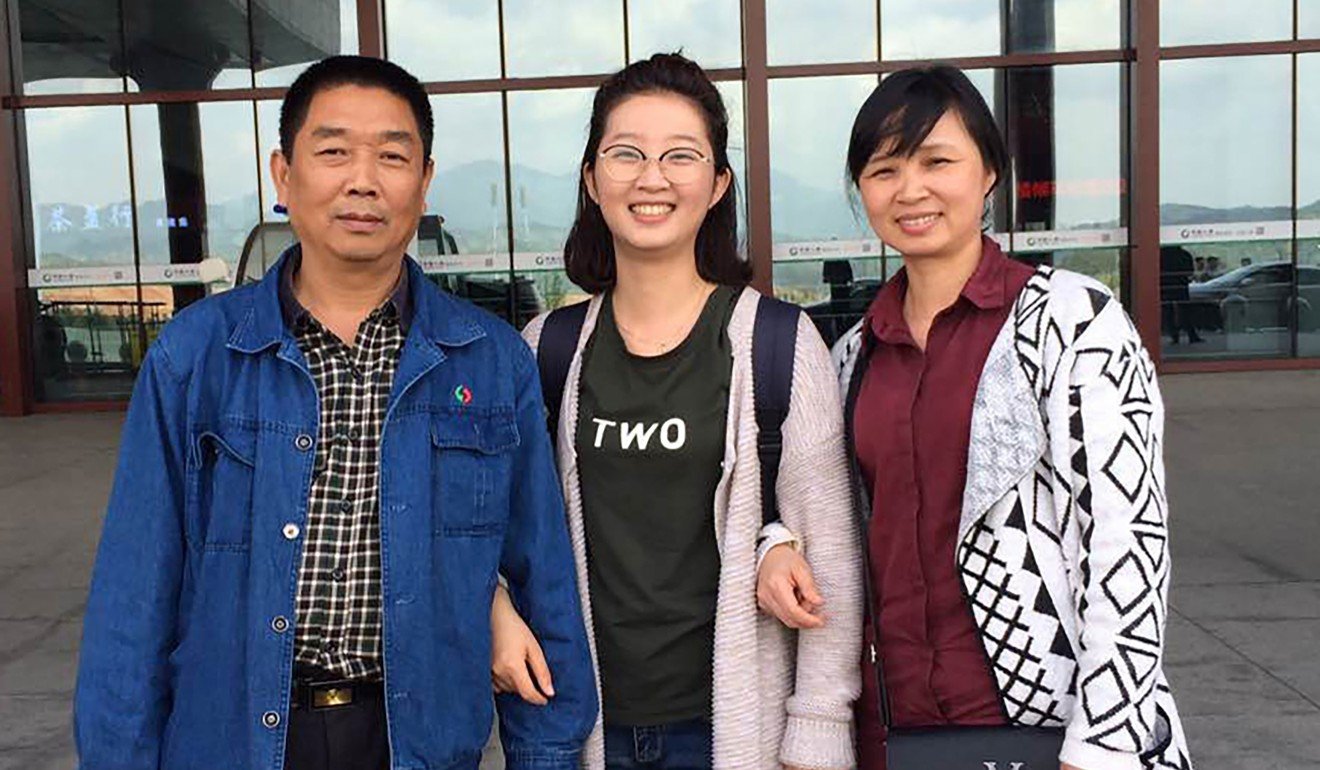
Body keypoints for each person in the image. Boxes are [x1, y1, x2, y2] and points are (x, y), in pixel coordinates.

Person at [73, 55, 597, 770]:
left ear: (424, 181)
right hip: (235, 739)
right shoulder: (196, 357)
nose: (363, 180)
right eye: (333, 151)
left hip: (413, 740)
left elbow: (546, 581)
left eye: (391, 155)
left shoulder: (490, 362)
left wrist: (548, 752)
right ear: (283, 175)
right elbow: (133, 601)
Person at [487, 53, 862, 770]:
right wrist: (494, 610)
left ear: (718, 183)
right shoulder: (547, 350)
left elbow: (831, 558)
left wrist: (816, 730)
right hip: (579, 725)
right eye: (626, 154)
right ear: (593, 180)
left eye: (680, 156)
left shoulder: (779, 344)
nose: (651, 178)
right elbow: (496, 526)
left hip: (730, 731)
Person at [825, 65, 1195, 770]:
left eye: (938, 161)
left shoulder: (1072, 322)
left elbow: (1127, 539)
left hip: (1046, 728)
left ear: (990, 172)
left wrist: (1106, 742)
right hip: (892, 731)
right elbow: (829, 515)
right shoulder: (853, 356)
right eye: (884, 169)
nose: (911, 190)